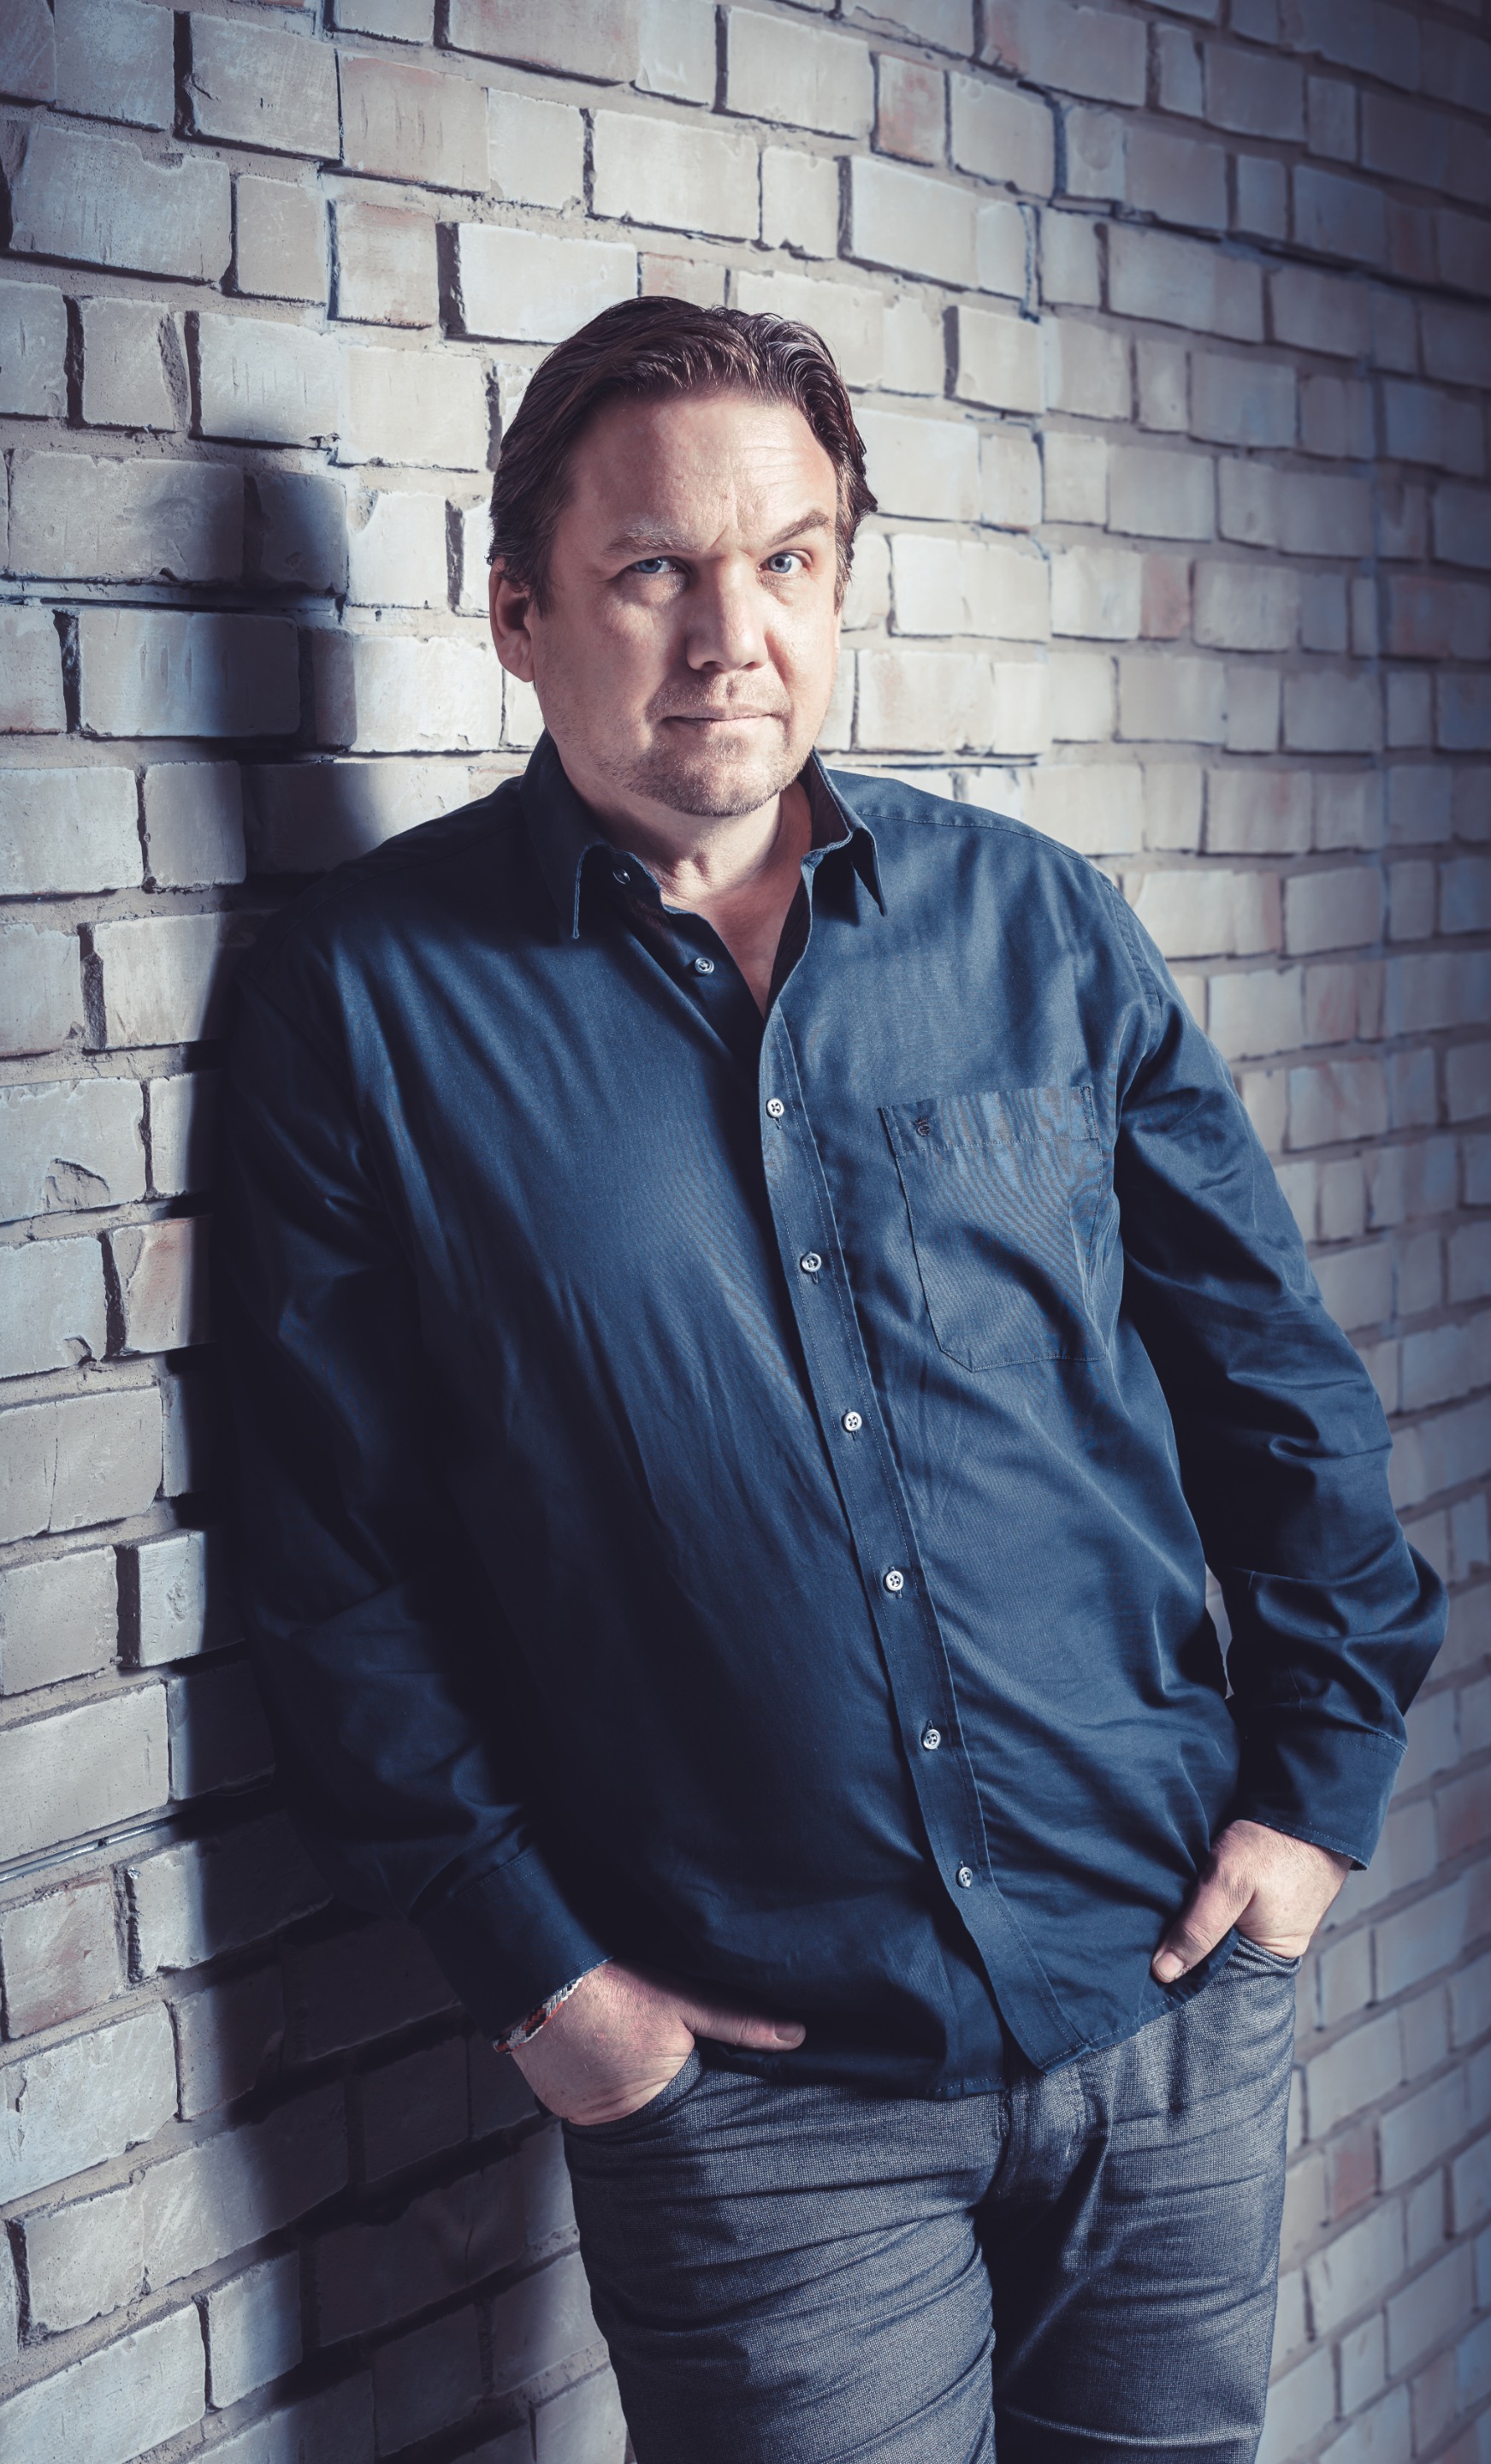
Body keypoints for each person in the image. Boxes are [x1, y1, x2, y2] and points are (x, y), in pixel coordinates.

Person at [216, 298, 1444, 2464]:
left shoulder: (1038, 930)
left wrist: (1310, 1811)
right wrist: (554, 1991)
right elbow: (335, 1565)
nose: (734, 635)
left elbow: (1275, 1388)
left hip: (1165, 2006)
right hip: (759, 2113)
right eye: (653, 570)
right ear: (516, 615)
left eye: (788, 559)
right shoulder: (364, 1006)